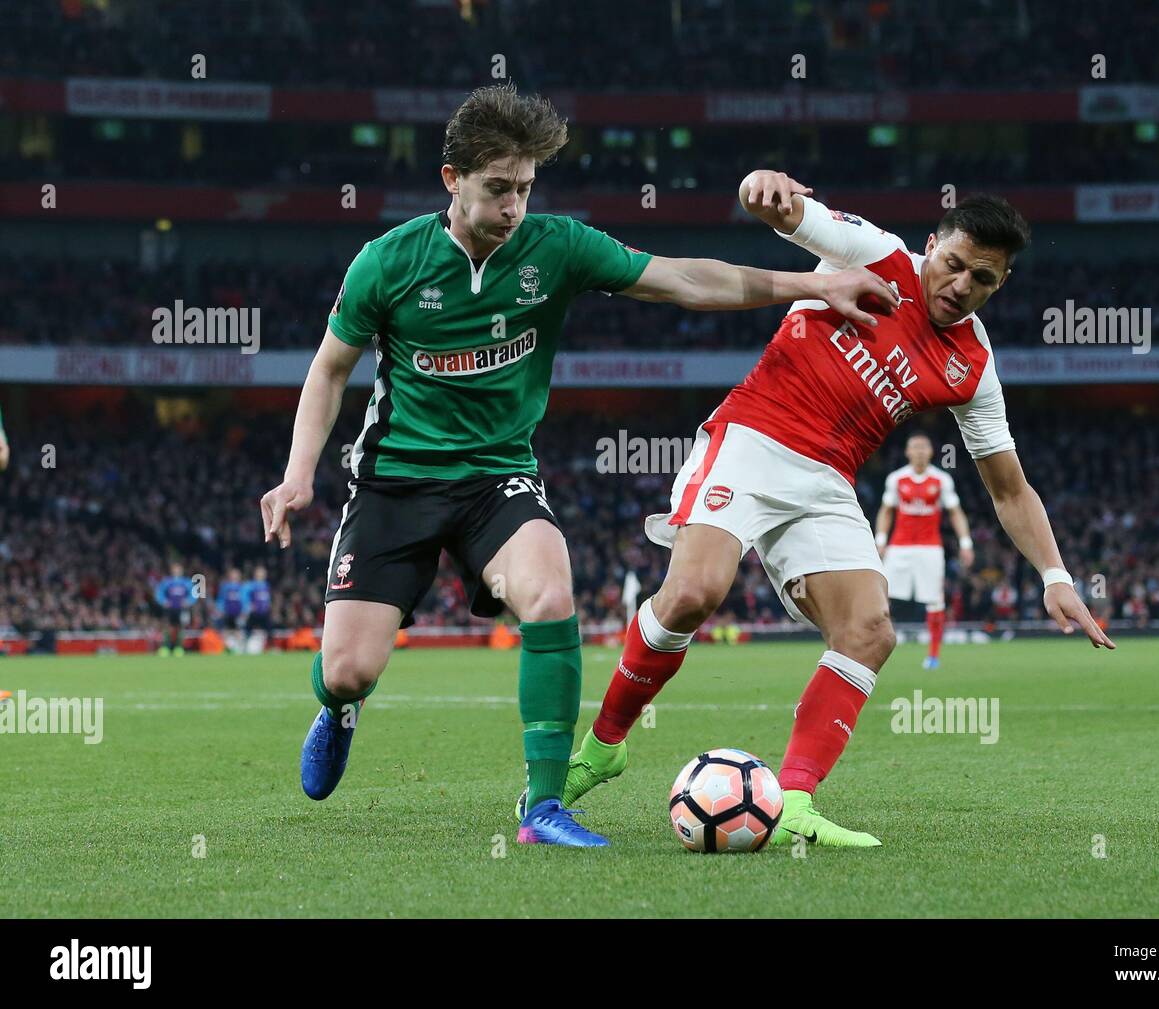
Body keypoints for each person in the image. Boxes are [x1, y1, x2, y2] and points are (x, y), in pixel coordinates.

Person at [258, 87, 899, 848]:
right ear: (451, 179)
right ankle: (337, 709)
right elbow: (330, 368)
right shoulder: (387, 263)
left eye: (524, 189)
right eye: (497, 189)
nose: (513, 208)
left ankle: (544, 804)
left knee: (550, 590)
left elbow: (684, 279)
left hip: (497, 477)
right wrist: (301, 473)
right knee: (350, 669)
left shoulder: (555, 247)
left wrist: (816, 283)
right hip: (395, 480)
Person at [557, 169, 1115, 847]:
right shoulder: (874, 253)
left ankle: (793, 800)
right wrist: (761, 186)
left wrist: (1056, 577)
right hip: (754, 438)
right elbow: (787, 213)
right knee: (694, 592)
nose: (961, 285)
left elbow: (1008, 487)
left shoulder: (972, 365)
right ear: (931, 246)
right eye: (954, 264)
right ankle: (605, 743)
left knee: (871, 630)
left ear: (1001, 285)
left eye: (983, 279)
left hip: (826, 479)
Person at [876, 433, 976, 669]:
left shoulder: (941, 480)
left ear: (931, 452)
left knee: (935, 600)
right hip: (899, 547)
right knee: (881, 596)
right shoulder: (896, 479)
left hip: (930, 548)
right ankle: (875, 646)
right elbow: (886, 510)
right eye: (915, 447)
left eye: (923, 447)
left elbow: (955, 512)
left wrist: (966, 543)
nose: (919, 451)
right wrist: (880, 540)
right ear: (907, 452)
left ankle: (933, 656)